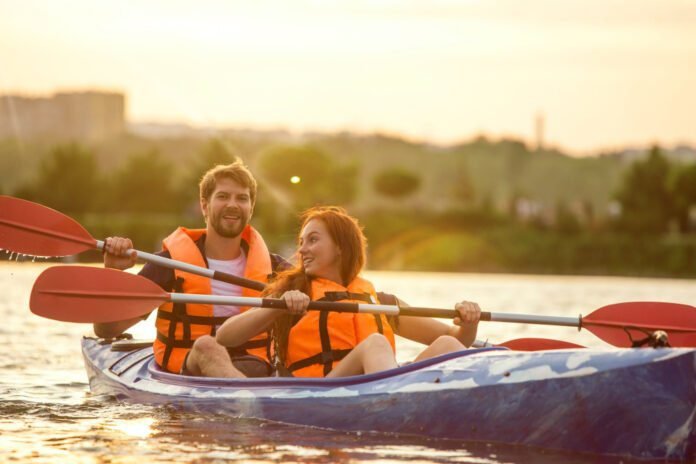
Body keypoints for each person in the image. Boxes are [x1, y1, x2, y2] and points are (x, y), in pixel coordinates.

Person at [216, 206, 481, 378]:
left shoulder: (379, 301)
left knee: (446, 345)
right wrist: (276, 308)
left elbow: (456, 338)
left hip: (379, 388)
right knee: (375, 344)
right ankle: (392, 402)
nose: (302, 250)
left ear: (340, 247)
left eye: (313, 240)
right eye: (301, 242)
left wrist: (469, 321)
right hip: (322, 391)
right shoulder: (292, 293)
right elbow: (225, 337)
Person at [93, 161, 289, 378]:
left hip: (254, 366)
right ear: (204, 206)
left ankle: (247, 399)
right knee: (206, 346)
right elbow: (106, 330)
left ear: (251, 208)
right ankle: (249, 404)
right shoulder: (168, 265)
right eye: (223, 196)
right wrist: (112, 272)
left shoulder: (278, 269)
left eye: (242, 198)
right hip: (188, 368)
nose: (233, 204)